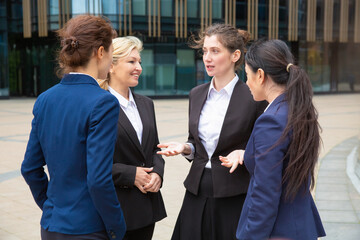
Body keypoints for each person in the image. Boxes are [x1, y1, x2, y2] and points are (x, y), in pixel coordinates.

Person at [157, 24, 267, 240]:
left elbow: (262, 147)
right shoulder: (196, 94)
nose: (207, 57)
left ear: (235, 55)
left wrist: (244, 154)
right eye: (205, 51)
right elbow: (197, 143)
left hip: (235, 194)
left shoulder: (253, 97)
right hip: (196, 191)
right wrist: (185, 148)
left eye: (215, 51)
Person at [21, 15, 126, 240]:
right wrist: (117, 226)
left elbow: (30, 168)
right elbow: (98, 179)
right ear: (100, 52)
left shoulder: (44, 99)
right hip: (88, 229)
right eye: (110, 53)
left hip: (52, 226)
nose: (110, 61)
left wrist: (50, 206)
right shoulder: (103, 101)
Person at [220, 39, 326, 240]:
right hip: (298, 225)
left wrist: (252, 236)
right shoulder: (297, 110)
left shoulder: (271, 120)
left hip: (278, 231)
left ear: (260, 75)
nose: (247, 83)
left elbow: (265, 193)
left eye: (247, 75)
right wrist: (247, 153)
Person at [98, 36, 166, 240]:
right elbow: (87, 162)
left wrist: (158, 175)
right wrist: (129, 174)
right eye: (131, 61)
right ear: (111, 65)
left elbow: (155, 148)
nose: (139, 67)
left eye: (139, 62)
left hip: (147, 208)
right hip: (114, 210)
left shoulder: (146, 103)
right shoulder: (98, 105)